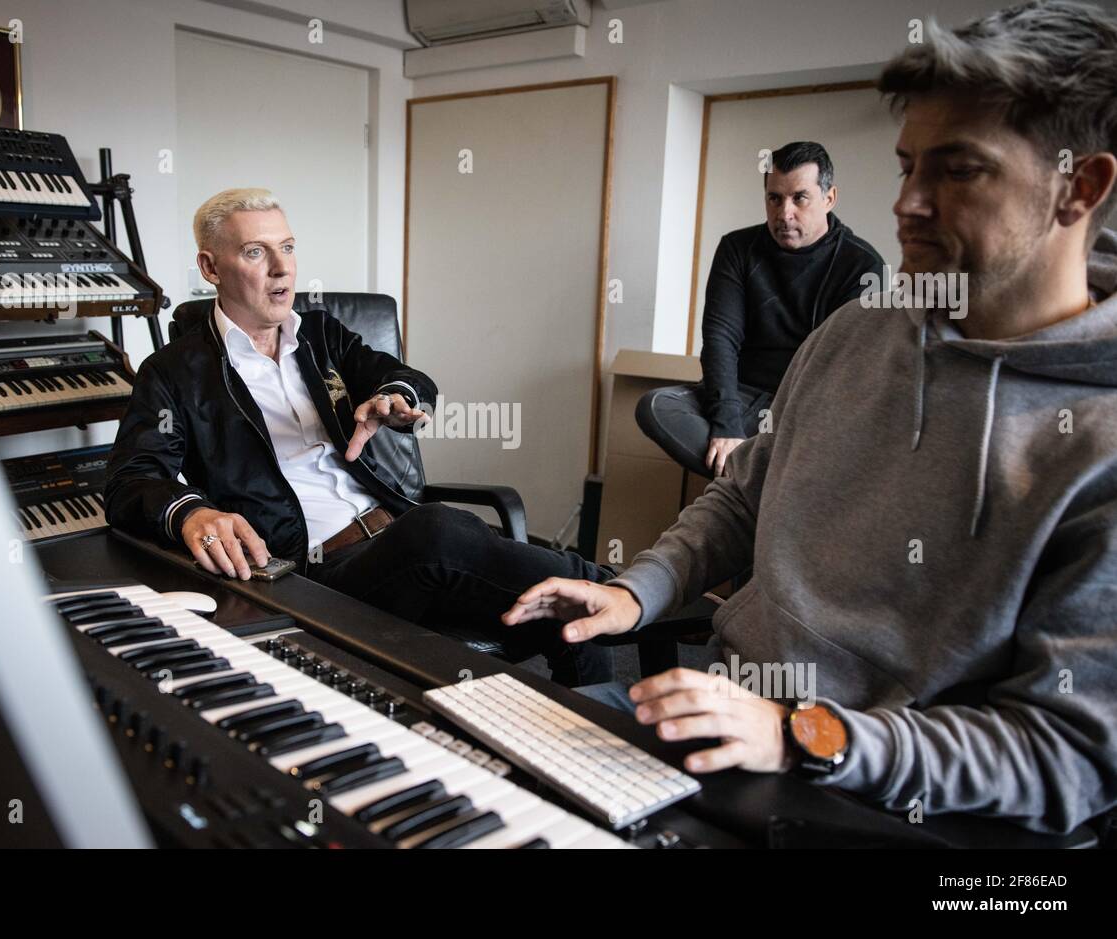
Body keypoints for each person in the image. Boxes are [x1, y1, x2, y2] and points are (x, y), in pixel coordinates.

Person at [504, 0, 1117, 832]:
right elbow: (742, 494)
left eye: (958, 170)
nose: (910, 202)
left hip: (882, 800)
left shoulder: (1099, 440)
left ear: (1079, 186)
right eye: (908, 167)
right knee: (471, 764)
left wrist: (804, 736)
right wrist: (637, 591)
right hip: (721, 716)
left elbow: (1068, 755)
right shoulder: (854, 334)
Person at [105, 188, 613, 686]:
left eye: (287, 247)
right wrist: (193, 512)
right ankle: (625, 589)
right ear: (211, 268)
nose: (282, 268)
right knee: (437, 531)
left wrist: (393, 397)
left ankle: (607, 734)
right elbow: (132, 478)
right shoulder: (175, 371)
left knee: (567, 611)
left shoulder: (322, 335)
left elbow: (402, 376)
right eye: (256, 252)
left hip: (397, 539)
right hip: (314, 570)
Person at [639, 141, 884, 477]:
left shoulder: (861, 264)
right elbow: (721, 337)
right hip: (740, 398)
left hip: (802, 409)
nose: (784, 213)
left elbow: (841, 369)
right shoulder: (737, 249)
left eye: (799, 197)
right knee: (655, 407)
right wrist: (727, 426)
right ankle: (758, 477)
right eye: (774, 198)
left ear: (829, 199)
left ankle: (749, 478)